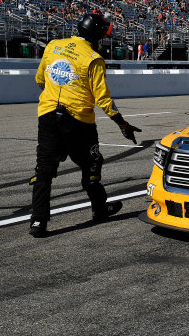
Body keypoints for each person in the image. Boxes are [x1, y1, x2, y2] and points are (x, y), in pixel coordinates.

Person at [29, 13, 142, 238]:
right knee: (92, 163)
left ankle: (38, 222)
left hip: (48, 116)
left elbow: (40, 80)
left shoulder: (53, 46)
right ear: (97, 36)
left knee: (44, 170)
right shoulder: (93, 58)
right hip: (79, 121)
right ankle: (99, 209)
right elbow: (103, 100)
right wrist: (123, 125)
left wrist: (55, 98)